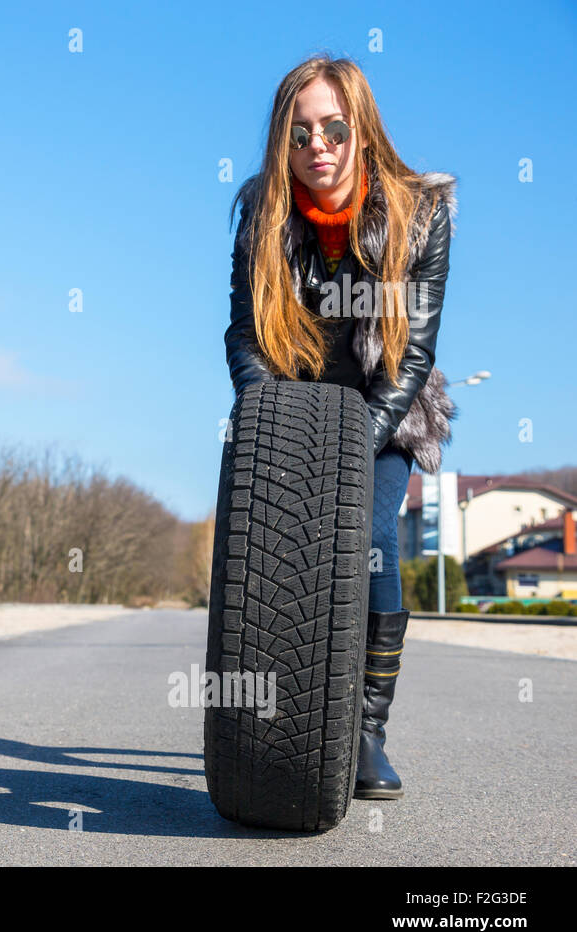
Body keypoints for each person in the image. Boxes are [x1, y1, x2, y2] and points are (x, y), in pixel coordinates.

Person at [224, 56, 457, 800]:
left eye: (332, 128)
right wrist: (273, 423)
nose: (316, 145)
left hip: (384, 412)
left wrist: (347, 455)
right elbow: (243, 335)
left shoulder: (420, 214)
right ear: (280, 142)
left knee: (371, 540)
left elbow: (414, 352)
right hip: (290, 410)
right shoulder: (263, 209)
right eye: (299, 133)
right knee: (260, 543)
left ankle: (363, 727)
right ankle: (271, 715)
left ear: (360, 128)